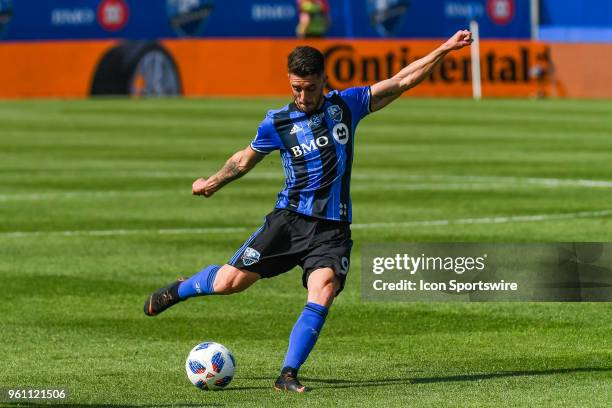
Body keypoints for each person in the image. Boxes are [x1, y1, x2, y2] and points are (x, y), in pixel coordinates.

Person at [144, 30, 473, 392]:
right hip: (289, 222)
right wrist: (213, 182)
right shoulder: (278, 122)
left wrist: (444, 49)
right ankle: (179, 289)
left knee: (324, 288)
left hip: (332, 229)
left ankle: (287, 374)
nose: (302, 96)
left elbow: (400, 82)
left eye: (310, 88)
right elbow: (244, 159)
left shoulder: (346, 106)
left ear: (324, 81)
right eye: (296, 88)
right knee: (228, 283)